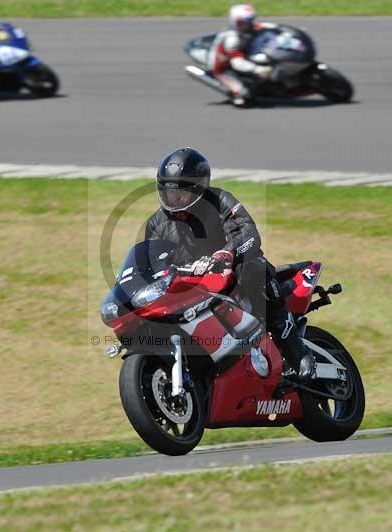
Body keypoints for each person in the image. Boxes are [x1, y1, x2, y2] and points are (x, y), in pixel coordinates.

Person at [145, 147, 316, 382]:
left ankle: (297, 351)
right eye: (168, 191)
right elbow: (151, 261)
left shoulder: (221, 201)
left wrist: (227, 254)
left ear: (199, 187)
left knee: (251, 268)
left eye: (181, 193)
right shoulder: (156, 223)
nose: (174, 199)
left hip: (232, 274)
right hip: (193, 287)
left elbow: (249, 233)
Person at [208, 4, 276, 107]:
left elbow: (264, 26)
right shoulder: (232, 39)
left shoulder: (245, 29)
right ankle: (237, 96)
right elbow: (237, 63)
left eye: (250, 21)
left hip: (242, 56)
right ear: (235, 21)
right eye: (243, 22)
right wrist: (258, 69)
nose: (248, 24)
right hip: (224, 67)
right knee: (244, 96)